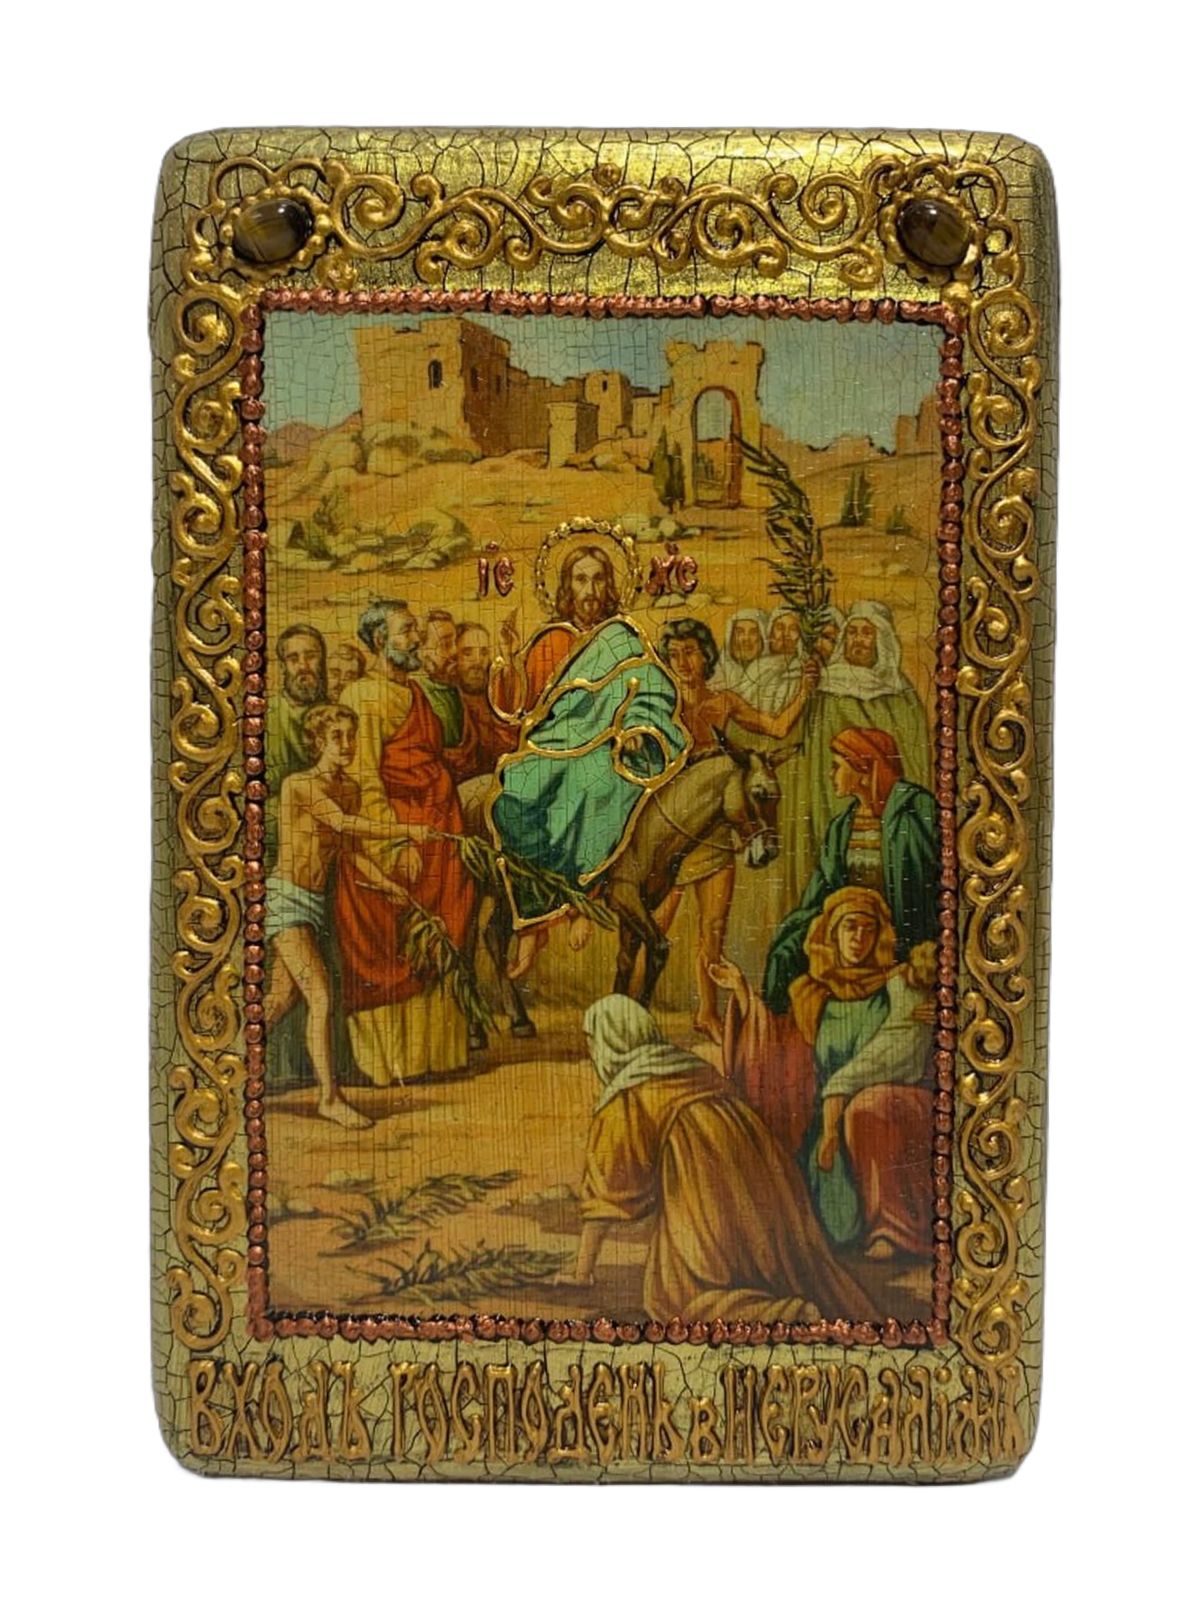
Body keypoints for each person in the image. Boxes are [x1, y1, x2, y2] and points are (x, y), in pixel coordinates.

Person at [558, 995, 874, 1325]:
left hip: (709, 1202)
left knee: (675, 1299)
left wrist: (582, 1272)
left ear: (611, 1040)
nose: (592, 1051)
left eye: (593, 1041)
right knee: (779, 1272)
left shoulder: (629, 1095)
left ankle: (785, 1313)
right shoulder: (689, 1067)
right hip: (771, 1200)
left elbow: (607, 1192)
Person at [489, 544, 689, 976]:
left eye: (598, 579)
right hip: (549, 747)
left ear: (610, 585)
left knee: (595, 784)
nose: (590, 590)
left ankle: (584, 898)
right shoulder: (550, 641)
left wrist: (637, 730)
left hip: (606, 748)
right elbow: (520, 710)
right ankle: (537, 916)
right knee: (512, 800)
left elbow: (652, 691)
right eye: (581, 579)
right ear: (567, 586)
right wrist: (510, 662)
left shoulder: (624, 639)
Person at [716, 887, 935, 1261]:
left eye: (868, 929)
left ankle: (890, 1226)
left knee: (868, 1115)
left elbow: (908, 1045)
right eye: (850, 928)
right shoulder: (809, 994)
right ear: (831, 933)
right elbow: (777, 1046)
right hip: (820, 1119)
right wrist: (741, 992)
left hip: (873, 1114)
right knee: (819, 1220)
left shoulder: (897, 988)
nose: (858, 938)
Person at [263, 704, 427, 1127]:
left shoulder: (350, 788)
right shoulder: (299, 785)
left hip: (314, 906)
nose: (347, 744)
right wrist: (405, 830)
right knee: (320, 996)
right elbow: (341, 823)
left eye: (351, 736)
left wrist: (387, 884)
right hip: (285, 900)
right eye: (337, 737)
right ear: (318, 741)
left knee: (280, 1000)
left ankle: (232, 1063)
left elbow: (351, 852)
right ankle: (329, 1098)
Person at [333, 599, 475, 1084]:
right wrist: (394, 846)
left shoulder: (413, 690)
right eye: (407, 630)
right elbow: (364, 779)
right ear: (380, 641)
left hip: (437, 835)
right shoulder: (361, 696)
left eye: (415, 630)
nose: (416, 639)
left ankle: (435, 1055)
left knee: (443, 933)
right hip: (396, 838)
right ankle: (394, 1064)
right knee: (396, 940)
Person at [653, 616, 814, 1041]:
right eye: (674, 655)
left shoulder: (723, 702)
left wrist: (804, 690)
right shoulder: (660, 704)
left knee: (712, 930)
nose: (682, 662)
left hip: (715, 831)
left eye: (690, 652)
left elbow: (776, 727)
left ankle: (707, 1012)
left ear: (706, 656)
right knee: (654, 926)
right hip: (672, 829)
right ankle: (634, 1007)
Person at [763, 726, 938, 1013]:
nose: (831, 774)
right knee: (786, 951)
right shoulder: (842, 827)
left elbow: (933, 882)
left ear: (863, 769)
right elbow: (821, 892)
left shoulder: (915, 810)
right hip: (852, 939)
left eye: (837, 767)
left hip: (902, 940)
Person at [780, 599, 931, 907]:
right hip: (825, 803)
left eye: (866, 633)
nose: (858, 640)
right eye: (852, 632)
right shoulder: (824, 687)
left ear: (882, 640)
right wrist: (805, 691)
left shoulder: (901, 695)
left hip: (885, 816)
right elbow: (800, 745)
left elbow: (915, 758)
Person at [266, 624, 327, 864]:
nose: (303, 666)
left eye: (310, 656)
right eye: (293, 659)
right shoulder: (269, 715)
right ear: (283, 667)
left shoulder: (334, 713)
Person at [443, 622, 519, 782]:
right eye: (467, 653)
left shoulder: (495, 693)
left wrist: (508, 655)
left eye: (484, 652)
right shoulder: (448, 700)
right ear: (454, 657)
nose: (477, 661)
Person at [416, 608, 464, 748]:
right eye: (445, 645)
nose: (455, 651)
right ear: (422, 651)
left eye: (456, 642)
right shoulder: (417, 696)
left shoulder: (457, 689)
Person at [710, 607, 770, 704]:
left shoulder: (775, 674)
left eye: (753, 632)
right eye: (739, 632)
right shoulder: (714, 673)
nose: (746, 638)